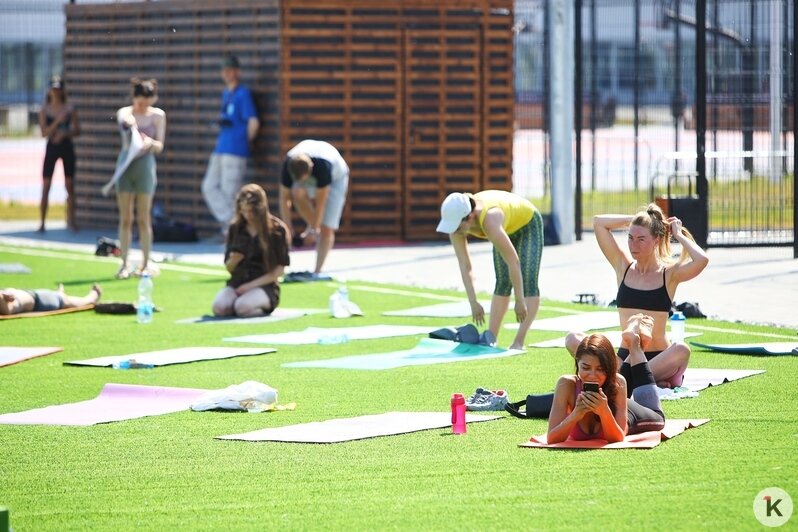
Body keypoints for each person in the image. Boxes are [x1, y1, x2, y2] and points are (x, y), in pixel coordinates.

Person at [565, 204, 709, 388]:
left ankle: (620, 380)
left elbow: (702, 260)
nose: (634, 245)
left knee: (681, 349)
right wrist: (635, 219)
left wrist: (678, 234)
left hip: (657, 358)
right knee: (572, 338)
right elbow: (599, 223)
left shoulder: (669, 274)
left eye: (641, 239)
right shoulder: (623, 267)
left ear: (656, 240)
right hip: (623, 357)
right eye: (631, 238)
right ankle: (635, 380)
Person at [435, 190, 543, 350]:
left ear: (470, 217)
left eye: (457, 227)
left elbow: (513, 261)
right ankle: (491, 337)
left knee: (528, 281)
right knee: (502, 282)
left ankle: (518, 342)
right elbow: (465, 265)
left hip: (528, 224)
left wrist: (519, 301)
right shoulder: (456, 227)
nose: (454, 232)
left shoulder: (489, 220)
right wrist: (473, 302)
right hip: (505, 227)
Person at [547, 331, 665, 444]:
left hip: (629, 412)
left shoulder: (618, 382)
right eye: (586, 367)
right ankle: (634, 343)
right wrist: (575, 415)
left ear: (609, 368)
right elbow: (551, 438)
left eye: (600, 369)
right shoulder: (566, 384)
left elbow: (618, 438)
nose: (592, 376)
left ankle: (635, 345)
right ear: (577, 363)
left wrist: (604, 412)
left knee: (659, 419)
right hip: (615, 399)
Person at [113, 78, 166, 279]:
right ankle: (124, 264)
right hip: (126, 165)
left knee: (144, 218)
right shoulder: (126, 112)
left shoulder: (158, 116)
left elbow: (160, 145)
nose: (142, 106)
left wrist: (151, 143)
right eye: (139, 102)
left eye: (146, 102)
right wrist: (130, 123)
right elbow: (123, 119)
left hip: (145, 166)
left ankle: (145, 263)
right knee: (126, 218)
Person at [201, 55, 260, 238]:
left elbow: (253, 122)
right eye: (224, 71)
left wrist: (246, 141)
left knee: (230, 192)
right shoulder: (226, 93)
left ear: (237, 72)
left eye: (230, 70)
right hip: (221, 147)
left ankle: (231, 230)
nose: (227, 74)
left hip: (235, 149)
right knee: (209, 186)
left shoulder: (243, 94)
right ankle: (232, 224)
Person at [211, 184, 291, 317]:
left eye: (252, 211)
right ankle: (238, 305)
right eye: (244, 211)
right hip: (238, 282)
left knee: (242, 308)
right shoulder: (235, 229)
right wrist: (233, 261)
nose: (248, 215)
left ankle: (260, 309)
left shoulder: (277, 230)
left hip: (264, 285)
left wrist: (250, 286)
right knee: (220, 308)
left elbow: (279, 271)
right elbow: (229, 268)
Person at [278, 139, 349, 274]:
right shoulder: (288, 165)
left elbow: (321, 204)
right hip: (308, 171)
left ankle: (317, 271)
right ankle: (313, 228)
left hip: (336, 178)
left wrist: (314, 229)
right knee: (297, 193)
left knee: (326, 228)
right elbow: (284, 198)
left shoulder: (323, 167)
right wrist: (288, 228)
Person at [38, 76, 80, 233]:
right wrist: (57, 122)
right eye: (53, 89)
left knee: (69, 185)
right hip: (52, 147)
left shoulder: (70, 109)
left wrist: (64, 133)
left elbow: (77, 130)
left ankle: (71, 220)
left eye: (58, 89)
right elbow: (44, 132)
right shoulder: (44, 110)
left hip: (66, 147)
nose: (55, 92)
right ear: (49, 91)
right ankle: (42, 223)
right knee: (46, 185)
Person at [1, 284, 101, 315]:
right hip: (40, 301)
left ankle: (59, 293)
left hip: (34, 296)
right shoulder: (6, 308)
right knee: (65, 300)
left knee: (60, 297)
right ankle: (93, 297)